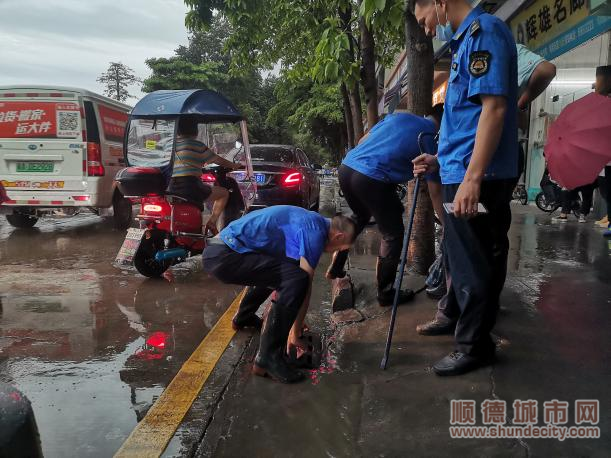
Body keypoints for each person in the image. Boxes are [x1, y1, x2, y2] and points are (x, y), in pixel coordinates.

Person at [413, 0, 518, 376]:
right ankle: (465, 328)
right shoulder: (464, 44)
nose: (427, 30)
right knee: (464, 259)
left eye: (424, 20)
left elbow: (494, 109)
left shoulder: (484, 32)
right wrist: (441, 161)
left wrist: (471, 178)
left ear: (439, 3)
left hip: (480, 178)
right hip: (464, 171)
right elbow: (467, 122)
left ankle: (474, 346)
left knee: (474, 264)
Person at [202, 206, 356, 383]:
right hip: (224, 257)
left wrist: (292, 315)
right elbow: (304, 285)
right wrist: (295, 332)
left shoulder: (312, 220)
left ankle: (244, 317)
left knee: (283, 269)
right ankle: (268, 359)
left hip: (219, 251)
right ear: (338, 237)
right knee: (296, 279)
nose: (332, 253)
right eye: (340, 248)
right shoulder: (314, 233)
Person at [325, 108, 441, 307]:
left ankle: (336, 267)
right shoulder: (429, 137)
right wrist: (445, 220)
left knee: (360, 215)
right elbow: (434, 189)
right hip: (371, 177)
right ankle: (386, 293)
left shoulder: (397, 116)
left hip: (347, 168)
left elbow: (362, 141)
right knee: (393, 234)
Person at [166, 116, 241, 234]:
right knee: (224, 193)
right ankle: (212, 222)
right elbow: (217, 160)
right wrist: (233, 165)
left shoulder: (169, 147)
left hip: (171, 187)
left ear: (178, 131)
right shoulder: (198, 146)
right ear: (195, 131)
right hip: (190, 187)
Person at [594, 65, 611, 235]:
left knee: (608, 189)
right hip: (604, 158)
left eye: (598, 79)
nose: (595, 84)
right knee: (606, 190)